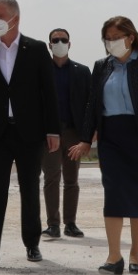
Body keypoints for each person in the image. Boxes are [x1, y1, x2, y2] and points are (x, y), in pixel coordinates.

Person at [0, 0, 59, 268]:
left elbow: (49, 93)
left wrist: (53, 130)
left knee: (30, 187)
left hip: (29, 132)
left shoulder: (37, 49)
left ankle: (32, 244)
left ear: (14, 18)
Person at [70, 16, 138, 275]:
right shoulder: (101, 66)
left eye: (116, 37)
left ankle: (135, 252)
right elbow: (92, 104)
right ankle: (114, 256)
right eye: (107, 39)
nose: (111, 42)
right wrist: (85, 139)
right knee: (112, 192)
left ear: (130, 37)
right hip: (110, 136)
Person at [43, 27, 89, 239]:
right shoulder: (41, 71)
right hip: (49, 134)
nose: (59, 43)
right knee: (51, 178)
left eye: (63, 40)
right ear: (49, 45)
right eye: (55, 40)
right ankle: (53, 224)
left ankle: (70, 223)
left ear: (69, 44)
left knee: (71, 179)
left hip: (73, 133)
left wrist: (89, 133)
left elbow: (90, 104)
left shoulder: (82, 71)